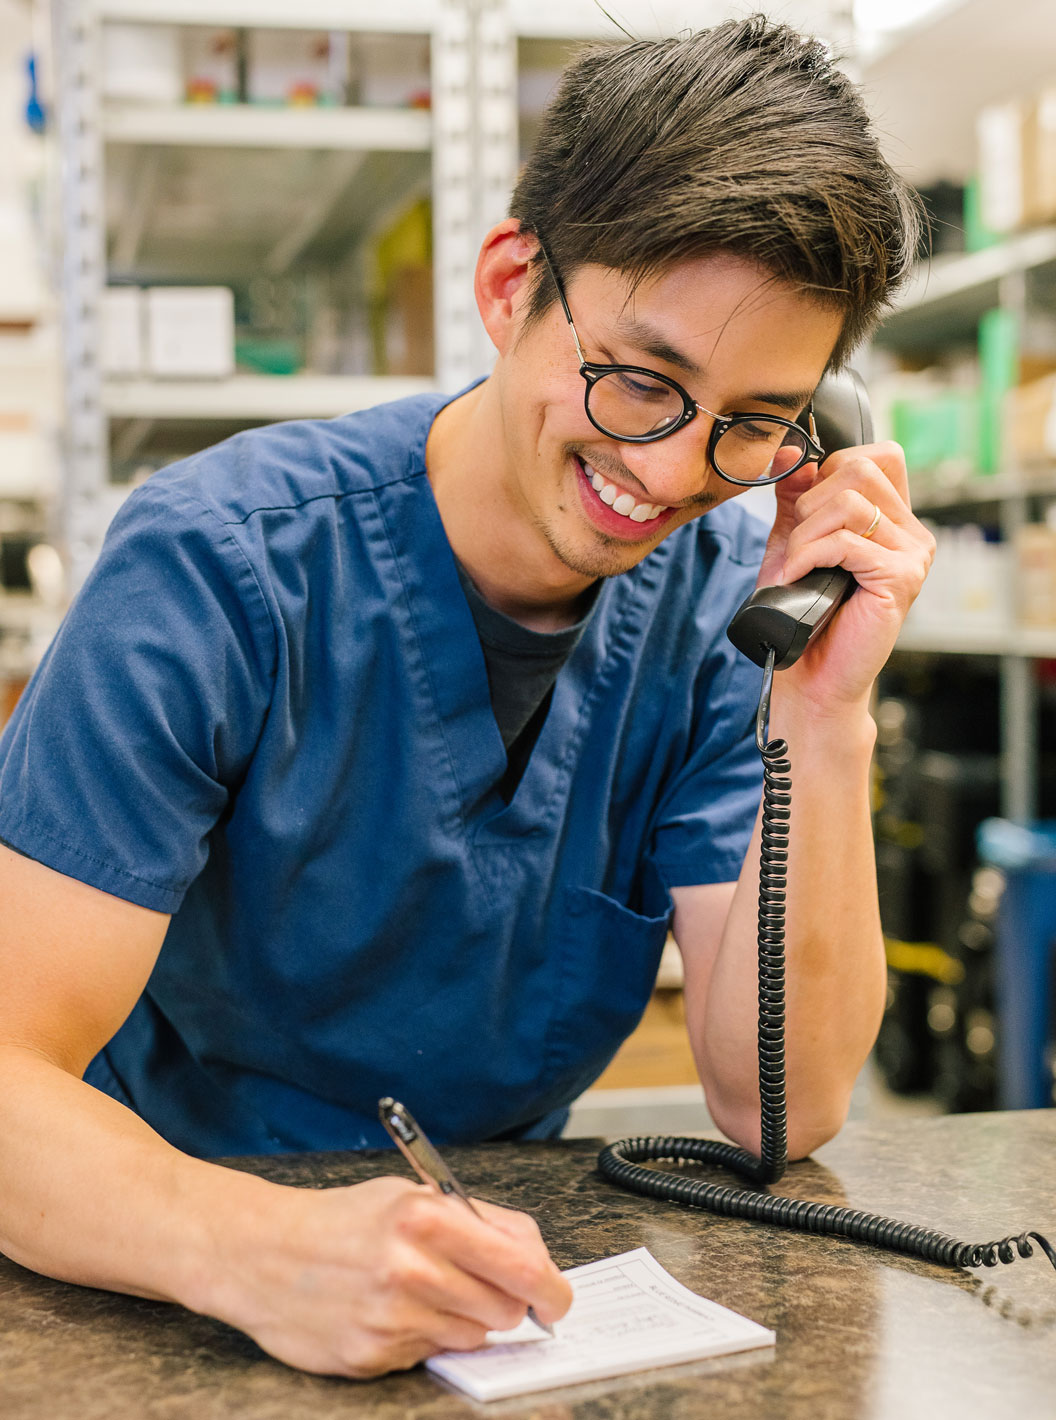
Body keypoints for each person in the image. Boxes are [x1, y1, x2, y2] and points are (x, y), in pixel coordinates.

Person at [0, 15, 933, 1380]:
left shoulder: (730, 598)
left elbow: (774, 1105)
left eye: (753, 422)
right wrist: (244, 1248)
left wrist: (828, 714)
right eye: (640, 381)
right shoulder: (217, 567)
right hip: (159, 1266)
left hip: (497, 1293)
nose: (673, 475)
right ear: (511, 286)